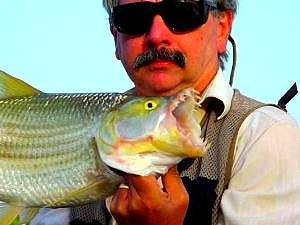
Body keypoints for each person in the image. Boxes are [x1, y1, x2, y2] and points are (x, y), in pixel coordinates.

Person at [31, 0, 300, 224]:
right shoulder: (66, 138)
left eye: (182, 12)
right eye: (133, 18)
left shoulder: (267, 137)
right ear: (116, 37)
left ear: (221, 28)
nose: (156, 34)